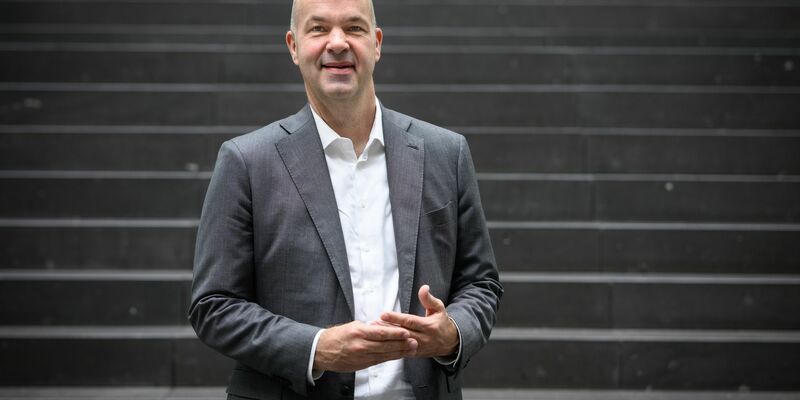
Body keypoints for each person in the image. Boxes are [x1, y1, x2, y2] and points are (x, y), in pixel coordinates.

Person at [188, 0, 502, 398]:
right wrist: (317, 348)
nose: (337, 43)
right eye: (318, 29)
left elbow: (481, 284)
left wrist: (452, 332)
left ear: (377, 43)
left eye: (354, 28)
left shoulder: (446, 153)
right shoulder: (246, 162)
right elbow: (214, 305)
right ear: (293, 46)